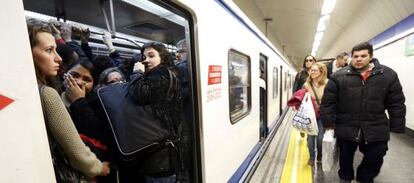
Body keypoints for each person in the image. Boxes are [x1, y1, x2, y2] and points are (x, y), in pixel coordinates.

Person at [27, 19, 110, 181]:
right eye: (49, 50)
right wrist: (99, 168)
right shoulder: (49, 94)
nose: (58, 58)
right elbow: (77, 152)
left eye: (87, 79)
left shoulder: (28, 91)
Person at [320, 42, 406, 183]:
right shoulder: (339, 77)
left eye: (363, 56)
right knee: (345, 157)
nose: (359, 59)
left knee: (377, 155)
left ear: (371, 56)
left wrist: (397, 125)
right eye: (355, 56)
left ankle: (365, 177)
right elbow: (328, 102)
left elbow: (396, 102)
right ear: (351, 58)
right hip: (346, 125)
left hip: (376, 126)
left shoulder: (388, 75)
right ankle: (345, 178)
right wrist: (329, 124)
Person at [303, 62, 328, 165]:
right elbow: (301, 98)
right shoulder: (306, 84)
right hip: (310, 115)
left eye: (315, 70)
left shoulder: (328, 83)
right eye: (311, 70)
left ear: (321, 72)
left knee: (320, 138)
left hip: (322, 114)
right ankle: (312, 157)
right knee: (310, 137)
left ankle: (320, 154)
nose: (312, 72)